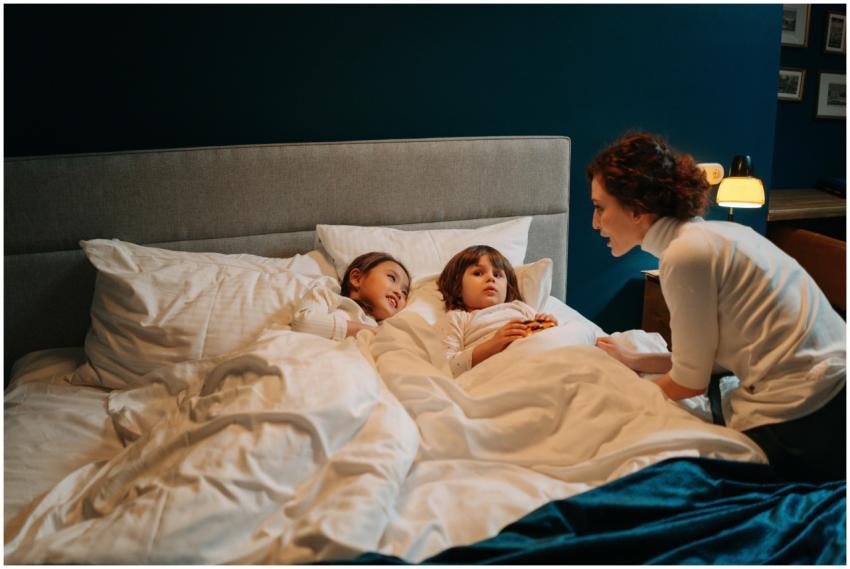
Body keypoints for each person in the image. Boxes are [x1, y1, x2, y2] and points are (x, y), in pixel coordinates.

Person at [587, 131, 846, 483]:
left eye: (600, 208)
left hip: (811, 413)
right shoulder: (716, 236)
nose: (595, 223)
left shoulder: (685, 255)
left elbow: (689, 381)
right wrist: (636, 360)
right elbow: (710, 360)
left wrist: (625, 398)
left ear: (637, 208)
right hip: (833, 393)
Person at [437, 245, 558, 377]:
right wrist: (493, 344)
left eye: (497, 274)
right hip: (497, 371)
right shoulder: (457, 318)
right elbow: (447, 368)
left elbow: (547, 337)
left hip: (536, 359)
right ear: (458, 288)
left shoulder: (520, 307)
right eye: (478, 273)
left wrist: (549, 324)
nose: (491, 278)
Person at [292, 251, 410, 340]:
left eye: (404, 292)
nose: (399, 293)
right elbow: (303, 323)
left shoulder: (386, 327)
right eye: (391, 278)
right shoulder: (326, 295)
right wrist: (371, 331)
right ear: (356, 278)